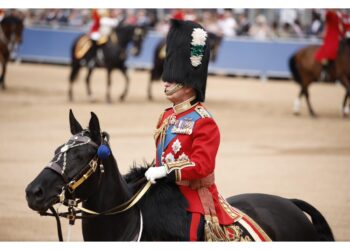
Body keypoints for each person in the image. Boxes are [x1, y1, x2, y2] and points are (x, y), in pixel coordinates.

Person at [144, 19, 239, 241]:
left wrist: (167, 170)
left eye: (172, 78)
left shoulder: (203, 121)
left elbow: (202, 166)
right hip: (165, 193)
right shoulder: (167, 116)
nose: (165, 83)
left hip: (195, 198)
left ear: (188, 83)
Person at [315, 10, 343, 81]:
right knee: (328, 53)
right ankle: (324, 72)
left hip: (338, 37)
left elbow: (340, 28)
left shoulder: (338, 15)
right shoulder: (329, 14)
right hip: (330, 38)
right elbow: (327, 15)